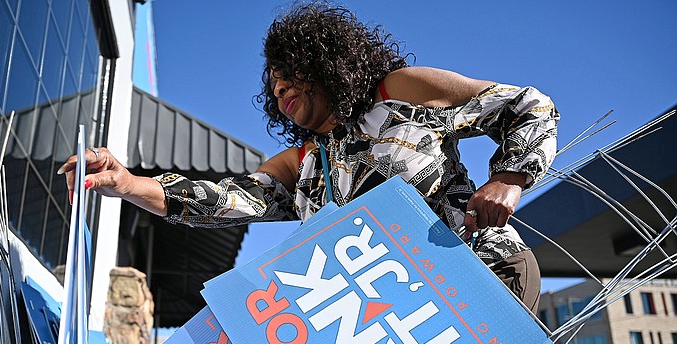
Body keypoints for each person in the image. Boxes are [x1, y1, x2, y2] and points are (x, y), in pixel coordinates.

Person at [59, 2, 558, 313]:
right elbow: (225, 200)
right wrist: (127, 185)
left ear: (325, 63)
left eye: (289, 74)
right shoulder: (303, 164)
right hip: (403, 320)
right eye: (273, 87)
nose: (280, 89)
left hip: (482, 276)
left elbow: (526, 105)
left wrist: (509, 176)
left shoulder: (398, 92)